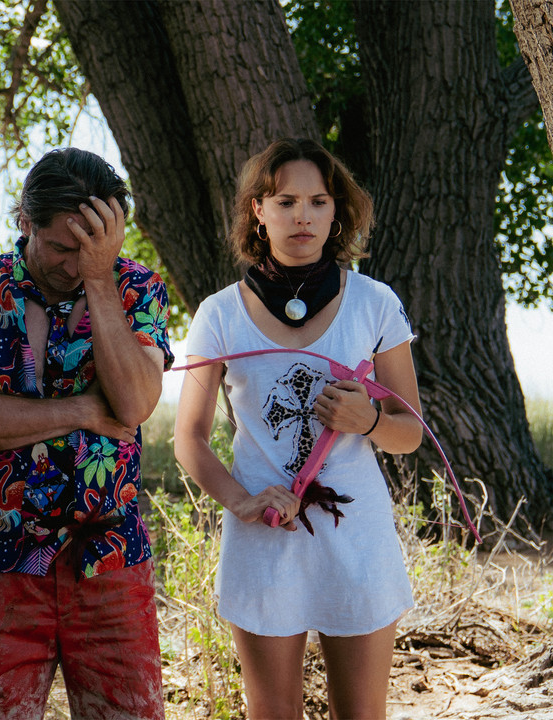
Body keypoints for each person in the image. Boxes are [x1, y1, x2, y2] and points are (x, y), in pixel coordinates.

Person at [174, 137, 422, 719]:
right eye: (285, 201)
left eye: (317, 201)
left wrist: (368, 420)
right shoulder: (220, 313)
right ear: (258, 211)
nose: (302, 216)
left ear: (336, 212)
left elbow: (411, 432)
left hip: (357, 538)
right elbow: (189, 437)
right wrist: (240, 500)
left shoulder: (374, 303)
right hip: (264, 535)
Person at [0, 147, 172, 719]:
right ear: (24, 221)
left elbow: (134, 404)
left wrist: (101, 278)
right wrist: (83, 410)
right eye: (61, 247)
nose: (74, 265)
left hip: (110, 559)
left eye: (93, 249)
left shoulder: (136, 287)